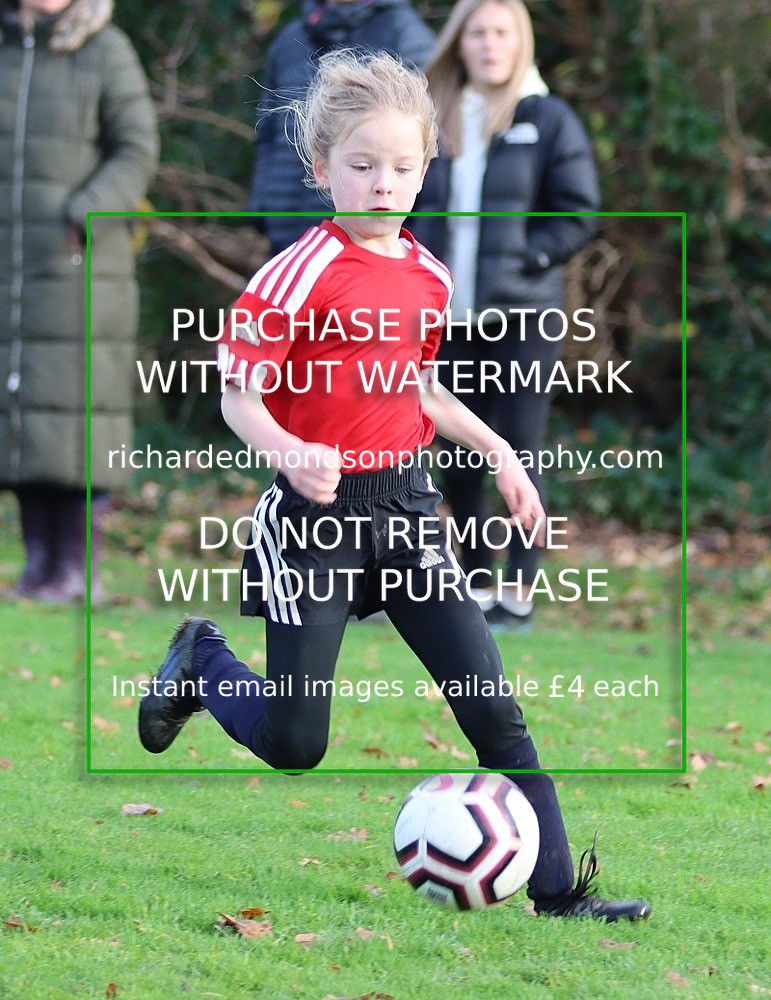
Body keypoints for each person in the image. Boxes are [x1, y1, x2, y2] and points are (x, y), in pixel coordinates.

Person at [138, 50, 649, 923]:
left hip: (407, 515)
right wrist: (291, 451)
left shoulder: (427, 275)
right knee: (296, 745)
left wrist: (499, 452)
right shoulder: (296, 272)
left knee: (494, 712)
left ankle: (559, 893)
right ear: (321, 169)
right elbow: (236, 391)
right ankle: (201, 660)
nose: (383, 184)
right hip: (316, 525)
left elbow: (416, 385)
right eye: (361, 165)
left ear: (425, 168)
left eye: (403, 168)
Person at [410, 0, 600, 629]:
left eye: (502, 32)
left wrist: (531, 257)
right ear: (459, 42)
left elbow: (578, 210)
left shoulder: (548, 118)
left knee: (519, 447)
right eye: (478, 32)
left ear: (521, 42)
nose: (490, 45)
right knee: (457, 450)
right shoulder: (431, 119)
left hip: (525, 317)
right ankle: (475, 581)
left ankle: (518, 592)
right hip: (446, 318)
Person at [0, 0, 158, 602]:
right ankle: (39, 563)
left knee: (78, 413)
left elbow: (137, 147)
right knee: (22, 419)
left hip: (78, 261)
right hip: (11, 267)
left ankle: (78, 567)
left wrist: (90, 208)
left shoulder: (105, 49)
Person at [246, 0, 434, 255]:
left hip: (366, 242)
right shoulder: (291, 38)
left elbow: (423, 137)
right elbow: (266, 131)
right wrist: (262, 206)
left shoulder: (404, 33)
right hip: (287, 232)